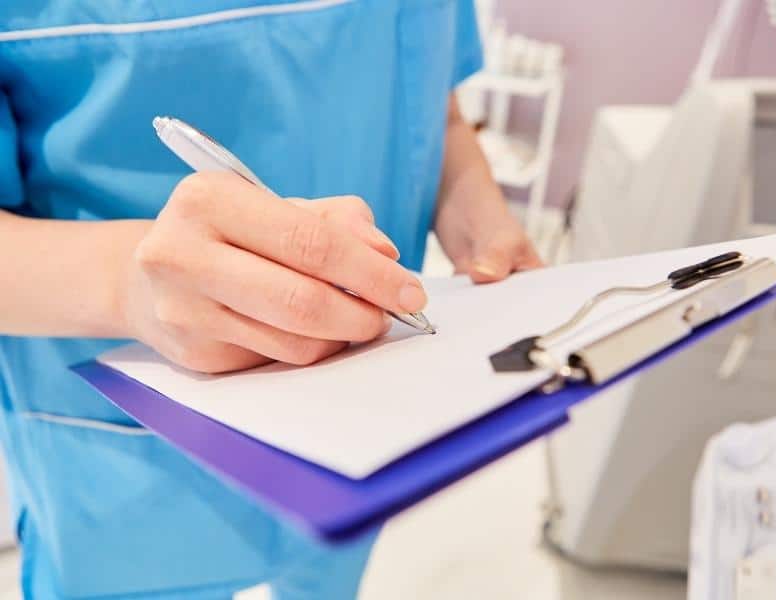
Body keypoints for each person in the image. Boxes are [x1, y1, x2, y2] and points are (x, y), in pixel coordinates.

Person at [0, 1, 540, 598]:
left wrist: (474, 209)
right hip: (125, 467)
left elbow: (433, 103)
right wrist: (124, 285)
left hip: (363, 421)